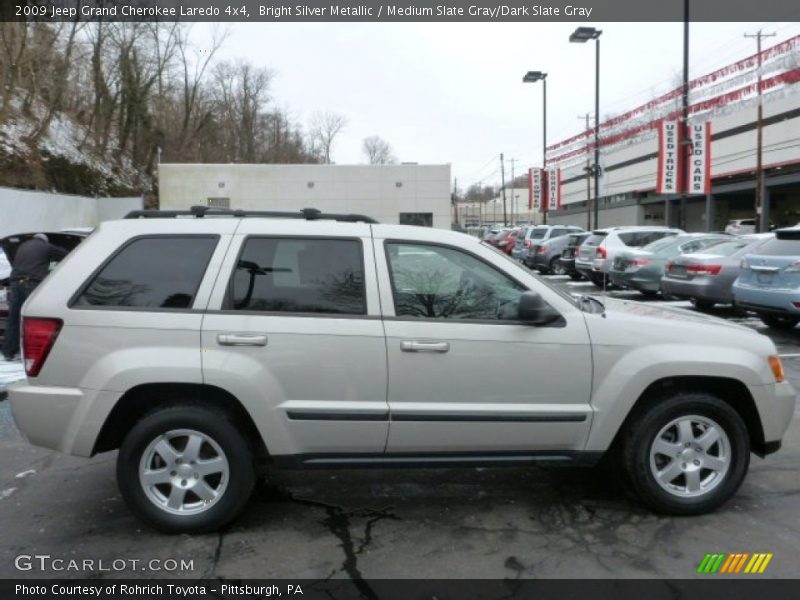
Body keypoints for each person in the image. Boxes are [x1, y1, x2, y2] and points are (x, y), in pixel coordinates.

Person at [2, 234, 67, 362]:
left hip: (15, 283)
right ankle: (30, 352)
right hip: (31, 283)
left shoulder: (22, 246)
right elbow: (66, 254)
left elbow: (14, 260)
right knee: (33, 318)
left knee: (14, 318)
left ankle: (8, 352)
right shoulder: (46, 246)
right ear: (45, 240)